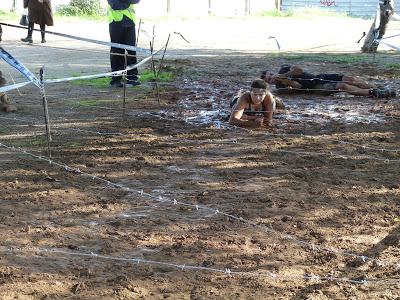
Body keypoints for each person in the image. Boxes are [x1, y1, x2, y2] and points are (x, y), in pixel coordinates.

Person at [261, 64, 397, 98]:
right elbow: (299, 87)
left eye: (271, 74)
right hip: (315, 87)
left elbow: (299, 70)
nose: (272, 77)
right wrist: (287, 82)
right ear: (269, 82)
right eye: (269, 78)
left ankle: (379, 87)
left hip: (318, 76)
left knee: (350, 79)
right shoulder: (279, 87)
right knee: (343, 85)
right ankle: (373, 92)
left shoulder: (283, 69)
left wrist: (285, 75)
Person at [107, 0, 141, 88]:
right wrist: (128, 2)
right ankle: (116, 79)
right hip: (115, 22)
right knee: (117, 51)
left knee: (132, 51)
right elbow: (115, 5)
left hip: (130, 22)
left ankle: (132, 78)